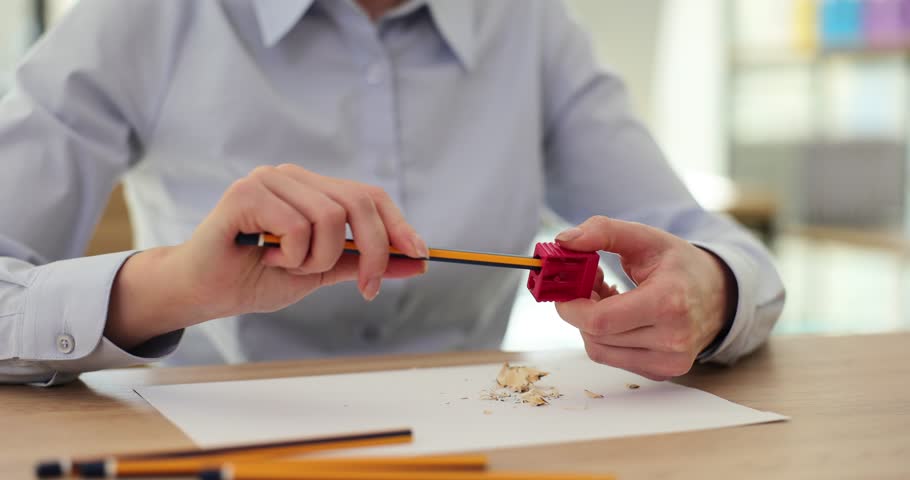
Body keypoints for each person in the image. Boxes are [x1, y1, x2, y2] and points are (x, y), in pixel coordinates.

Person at [0, 0, 784, 386]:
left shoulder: (529, 24)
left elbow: (710, 246)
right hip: (209, 447)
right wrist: (168, 287)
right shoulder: (144, 17)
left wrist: (709, 289)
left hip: (492, 441)